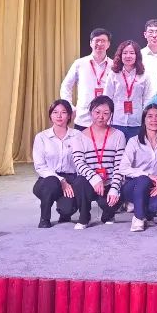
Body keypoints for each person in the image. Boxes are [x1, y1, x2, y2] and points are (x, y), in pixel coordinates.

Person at [113, 105, 157, 232]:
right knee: (143, 179)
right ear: (144, 120)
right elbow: (123, 168)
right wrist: (147, 175)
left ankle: (142, 209)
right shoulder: (134, 141)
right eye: (149, 116)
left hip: (153, 186)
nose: (154, 120)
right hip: (132, 185)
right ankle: (138, 217)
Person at [70, 95, 127, 229]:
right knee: (79, 182)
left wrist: (114, 188)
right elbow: (79, 162)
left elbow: (119, 165)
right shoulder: (79, 136)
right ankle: (84, 217)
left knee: (115, 199)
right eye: (97, 112)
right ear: (91, 112)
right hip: (89, 181)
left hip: (109, 182)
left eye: (106, 113)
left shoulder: (119, 135)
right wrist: (95, 178)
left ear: (111, 114)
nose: (101, 117)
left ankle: (108, 214)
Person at [31, 99, 80, 228]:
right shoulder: (41, 137)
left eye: (63, 112)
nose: (59, 116)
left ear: (69, 116)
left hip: (71, 177)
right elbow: (40, 166)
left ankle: (65, 212)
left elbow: (81, 162)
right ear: (50, 115)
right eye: (55, 112)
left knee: (68, 209)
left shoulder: (78, 135)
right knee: (51, 183)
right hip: (48, 178)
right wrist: (61, 180)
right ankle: (44, 218)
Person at [60, 27, 112, 129]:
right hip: (83, 119)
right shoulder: (79, 63)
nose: (100, 43)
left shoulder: (114, 66)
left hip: (107, 120)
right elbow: (66, 86)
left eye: (103, 41)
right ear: (90, 43)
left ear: (108, 44)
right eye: (97, 40)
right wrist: (69, 105)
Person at [105, 40, 149, 139]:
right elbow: (107, 98)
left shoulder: (144, 75)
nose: (128, 56)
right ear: (120, 55)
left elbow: (147, 99)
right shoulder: (113, 74)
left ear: (137, 56)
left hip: (136, 122)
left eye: (132, 53)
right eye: (125, 53)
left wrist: (145, 120)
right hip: (117, 121)